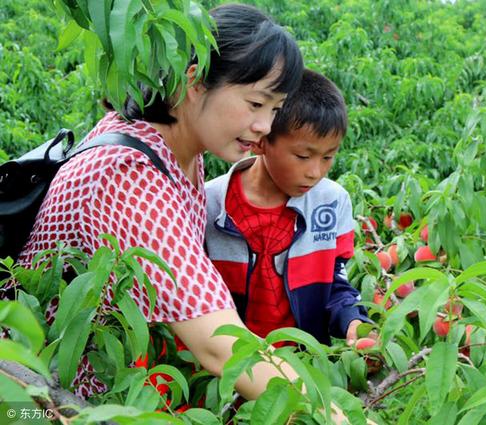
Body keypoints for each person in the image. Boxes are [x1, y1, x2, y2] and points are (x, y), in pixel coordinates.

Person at [15, 3, 309, 403]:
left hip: (96, 387)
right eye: (256, 104)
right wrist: (329, 411)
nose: (265, 127)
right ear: (195, 82)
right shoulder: (130, 173)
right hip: (34, 398)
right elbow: (218, 345)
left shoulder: (181, 149)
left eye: (275, 109)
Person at [204, 69, 370, 346]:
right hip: (228, 364)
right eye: (303, 156)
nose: (315, 172)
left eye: (328, 156)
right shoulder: (210, 204)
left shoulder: (331, 202)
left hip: (303, 363)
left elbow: (335, 284)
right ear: (261, 142)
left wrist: (354, 321)